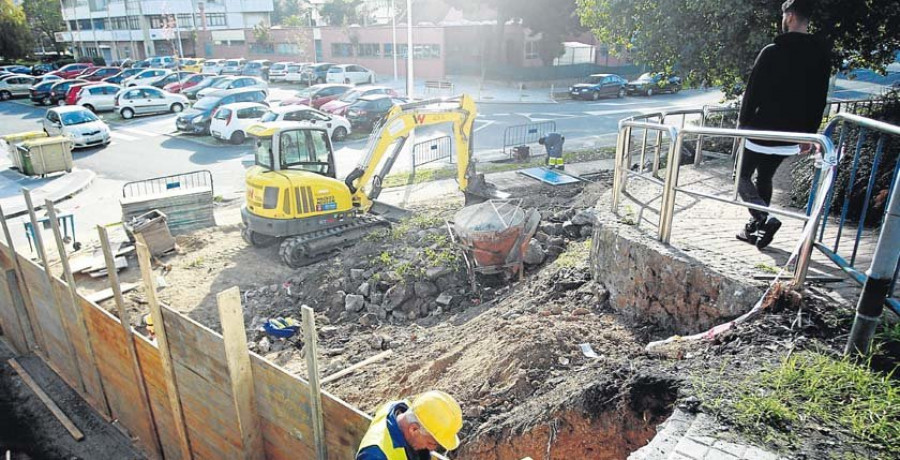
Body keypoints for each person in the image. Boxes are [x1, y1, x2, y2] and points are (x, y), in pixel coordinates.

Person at [736, 0, 831, 249]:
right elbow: (819, 100)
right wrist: (808, 136)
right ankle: (757, 231)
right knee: (765, 177)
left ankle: (764, 219)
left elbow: (752, 94)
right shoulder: (820, 56)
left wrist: (741, 126)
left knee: (741, 177)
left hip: (761, 130)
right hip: (790, 136)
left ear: (789, 17)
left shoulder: (772, 52)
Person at [357, 390, 463, 460]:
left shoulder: (400, 409)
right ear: (414, 429)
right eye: (431, 443)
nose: (431, 449)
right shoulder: (375, 455)